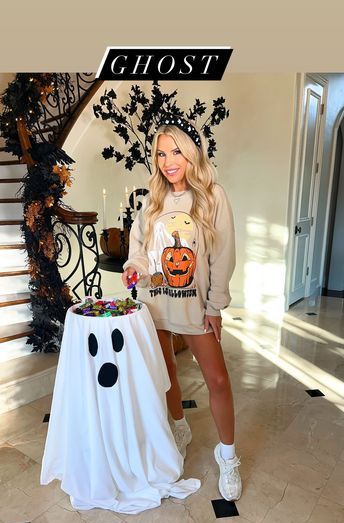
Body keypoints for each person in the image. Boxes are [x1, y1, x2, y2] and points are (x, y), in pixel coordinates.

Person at [121, 113, 241, 501]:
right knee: (165, 373)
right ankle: (179, 426)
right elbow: (139, 249)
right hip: (154, 301)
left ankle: (228, 455)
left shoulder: (212, 195)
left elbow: (222, 256)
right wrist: (132, 268)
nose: (168, 161)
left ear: (191, 154)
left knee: (218, 380)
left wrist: (215, 305)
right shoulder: (153, 200)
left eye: (176, 151)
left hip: (195, 305)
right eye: (160, 154)